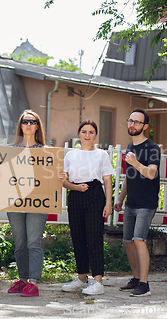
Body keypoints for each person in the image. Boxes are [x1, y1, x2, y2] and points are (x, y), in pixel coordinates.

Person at [0, 109, 48, 297]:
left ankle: (34, 282)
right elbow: (3, 175)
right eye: (25, 121)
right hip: (14, 201)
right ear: (20, 125)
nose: (29, 125)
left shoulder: (45, 151)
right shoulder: (10, 150)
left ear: (37, 126)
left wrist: (60, 176)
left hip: (38, 201)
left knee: (34, 241)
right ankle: (22, 279)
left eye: (32, 122)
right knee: (20, 242)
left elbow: (51, 177)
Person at [58, 120, 114, 295]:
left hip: (94, 194)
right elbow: (65, 182)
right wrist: (72, 184)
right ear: (79, 133)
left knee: (94, 237)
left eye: (91, 132)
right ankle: (82, 278)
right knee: (78, 237)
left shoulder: (102, 155)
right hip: (75, 195)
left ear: (95, 135)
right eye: (84, 131)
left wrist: (108, 203)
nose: (87, 135)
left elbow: (107, 181)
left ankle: (98, 281)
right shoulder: (70, 155)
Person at [113, 108, 160, 297]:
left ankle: (144, 284)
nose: (132, 124)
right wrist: (120, 198)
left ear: (145, 126)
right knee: (128, 242)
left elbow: (151, 173)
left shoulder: (152, 148)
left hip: (146, 204)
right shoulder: (130, 147)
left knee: (139, 240)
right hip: (131, 203)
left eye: (136, 122)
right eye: (130, 121)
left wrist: (135, 163)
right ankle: (135, 278)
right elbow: (128, 177)